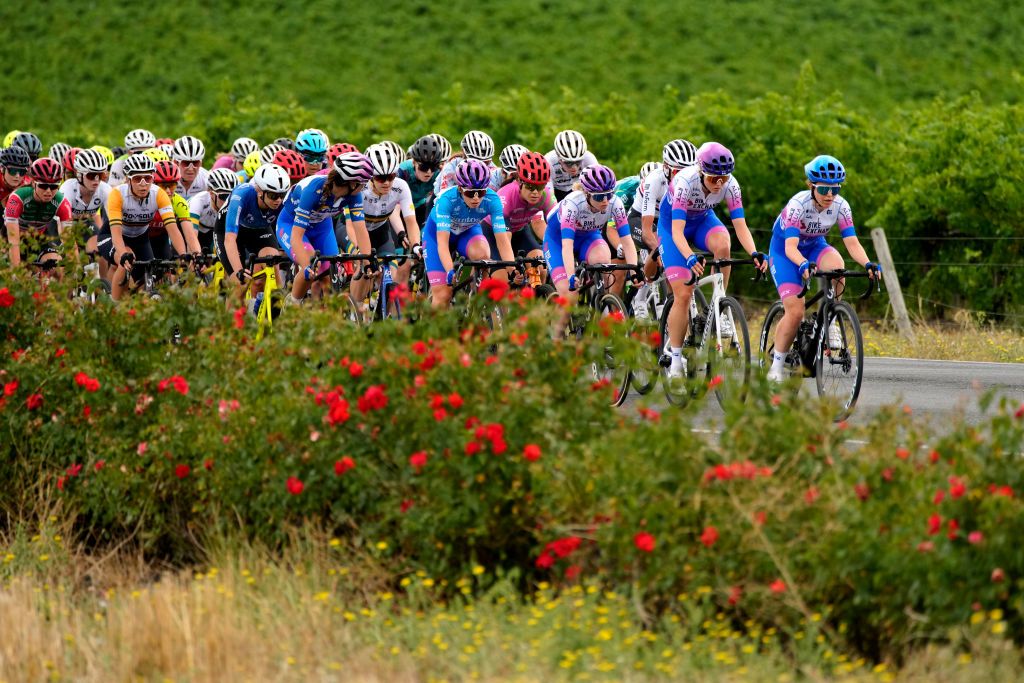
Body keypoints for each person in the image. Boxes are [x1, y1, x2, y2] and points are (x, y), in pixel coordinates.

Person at [766, 155, 882, 382]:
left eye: (835, 189)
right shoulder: (797, 205)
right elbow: (790, 247)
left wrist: (868, 263)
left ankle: (829, 320)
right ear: (811, 186)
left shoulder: (841, 206)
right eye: (824, 189)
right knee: (796, 311)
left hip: (815, 246)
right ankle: (776, 367)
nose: (830, 194)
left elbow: (852, 243)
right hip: (785, 252)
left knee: (838, 267)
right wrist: (801, 263)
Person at [657, 142, 767, 377]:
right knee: (684, 293)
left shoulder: (731, 185)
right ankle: (675, 359)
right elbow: (677, 232)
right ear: (701, 172)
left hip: (703, 221)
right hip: (673, 228)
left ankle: (719, 302)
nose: (719, 184)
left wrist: (754, 253)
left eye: (723, 178)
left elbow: (741, 226)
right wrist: (688, 257)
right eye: (713, 179)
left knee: (724, 244)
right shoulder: (685, 182)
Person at [276, 152, 373, 304]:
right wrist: (306, 267)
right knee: (311, 265)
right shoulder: (314, 190)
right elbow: (296, 237)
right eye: (363, 183)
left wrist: (368, 263)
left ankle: (328, 318)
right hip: (290, 225)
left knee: (330, 272)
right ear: (352, 183)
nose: (364, 187)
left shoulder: (354, 195)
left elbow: (361, 230)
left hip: (321, 226)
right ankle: (292, 305)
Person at [543, 164, 638, 309]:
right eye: (599, 197)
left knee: (603, 261)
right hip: (558, 240)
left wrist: (634, 272)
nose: (605, 201)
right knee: (569, 297)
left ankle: (601, 307)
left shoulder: (615, 203)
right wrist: (570, 277)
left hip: (588, 236)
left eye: (609, 194)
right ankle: (558, 331)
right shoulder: (573, 204)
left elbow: (627, 241)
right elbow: (567, 246)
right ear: (586, 193)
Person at [423, 159, 514, 309]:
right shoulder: (447, 200)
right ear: (460, 188)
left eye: (481, 192)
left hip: (467, 232)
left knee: (484, 258)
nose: (476, 198)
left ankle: (476, 304)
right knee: (443, 295)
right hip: (436, 237)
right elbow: (443, 245)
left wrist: (512, 269)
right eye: (470, 193)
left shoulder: (492, 200)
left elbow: (503, 240)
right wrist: (449, 271)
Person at [100, 154, 176, 300]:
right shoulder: (117, 194)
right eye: (137, 179)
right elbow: (116, 232)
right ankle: (114, 309)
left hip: (141, 240)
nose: (143, 183)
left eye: (147, 178)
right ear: (129, 180)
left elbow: (173, 230)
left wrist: (185, 253)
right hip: (111, 236)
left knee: (145, 287)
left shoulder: (159, 194)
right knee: (126, 260)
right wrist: (122, 254)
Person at [353, 144, 419, 304]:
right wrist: (363, 254)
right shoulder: (359, 189)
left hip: (380, 230)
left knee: (393, 277)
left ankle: (386, 318)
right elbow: (353, 226)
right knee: (365, 267)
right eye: (381, 178)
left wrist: (416, 245)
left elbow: (411, 221)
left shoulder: (401, 187)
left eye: (391, 176)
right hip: (354, 230)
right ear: (370, 177)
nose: (387, 183)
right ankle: (355, 309)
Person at [219, 164, 291, 304]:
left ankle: (270, 315)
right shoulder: (242, 195)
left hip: (259, 228)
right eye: (273, 195)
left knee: (273, 260)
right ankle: (230, 324)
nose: (278, 200)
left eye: (281, 195)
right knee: (240, 282)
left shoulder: (282, 201)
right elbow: (229, 239)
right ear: (260, 191)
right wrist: (239, 270)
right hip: (231, 231)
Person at [482, 151, 555, 271]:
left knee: (540, 267)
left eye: (540, 187)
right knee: (505, 277)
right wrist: (512, 269)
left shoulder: (546, 196)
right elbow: (504, 240)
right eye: (531, 187)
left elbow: (556, 226)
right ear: (520, 182)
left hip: (519, 230)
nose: (535, 193)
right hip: (493, 232)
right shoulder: (506, 197)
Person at [4, 158, 74, 269]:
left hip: (40, 238)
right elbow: (13, 241)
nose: (48, 191)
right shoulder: (17, 198)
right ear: (33, 183)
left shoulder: (62, 203)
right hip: (13, 238)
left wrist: (76, 269)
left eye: (54, 186)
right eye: (43, 186)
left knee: (58, 268)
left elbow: (69, 240)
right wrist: (16, 271)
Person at [59, 148, 112, 278]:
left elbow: (114, 222)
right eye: (90, 175)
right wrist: (75, 257)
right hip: (61, 225)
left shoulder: (105, 190)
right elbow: (65, 231)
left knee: (101, 252)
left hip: (85, 223)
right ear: (79, 175)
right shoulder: (67, 189)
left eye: (100, 176)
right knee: (71, 266)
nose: (96, 180)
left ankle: (103, 290)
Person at [188, 167, 239, 255]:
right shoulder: (198, 201)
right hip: (190, 230)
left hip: (212, 233)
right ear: (211, 193)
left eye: (232, 196)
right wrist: (195, 255)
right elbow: (191, 235)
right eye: (225, 196)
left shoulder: (235, 204)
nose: (228, 201)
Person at [397, 134, 444, 227]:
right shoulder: (402, 171)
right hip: (398, 207)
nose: (429, 172)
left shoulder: (439, 173)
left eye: (433, 166)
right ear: (414, 162)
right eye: (424, 167)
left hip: (419, 206)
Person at [434, 131, 501, 194]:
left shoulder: (493, 170)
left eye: (485, 163)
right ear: (464, 155)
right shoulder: (453, 165)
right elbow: (444, 195)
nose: (480, 167)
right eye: (475, 162)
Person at [544, 130, 598, 201]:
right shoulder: (548, 162)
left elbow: (598, 186)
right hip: (556, 190)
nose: (574, 167)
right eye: (568, 163)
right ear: (559, 159)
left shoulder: (589, 158)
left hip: (578, 189)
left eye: (578, 162)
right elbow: (549, 197)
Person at [172, 135, 208, 200]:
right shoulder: (169, 179)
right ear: (176, 163)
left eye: (195, 163)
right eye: (186, 163)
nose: (191, 168)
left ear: (200, 163)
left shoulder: (205, 178)